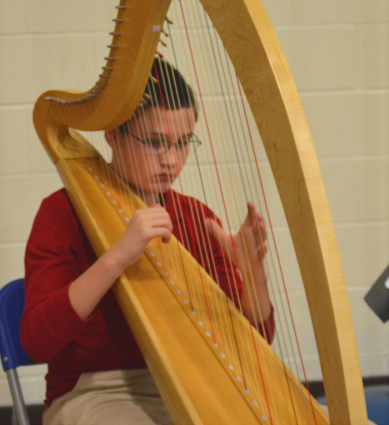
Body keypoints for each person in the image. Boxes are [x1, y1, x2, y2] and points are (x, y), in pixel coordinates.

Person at [21, 59, 274, 425]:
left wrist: (253, 275)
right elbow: (36, 341)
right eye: (155, 142)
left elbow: (256, 341)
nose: (171, 160)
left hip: (194, 384)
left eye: (183, 143)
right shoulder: (61, 213)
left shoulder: (194, 216)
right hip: (93, 394)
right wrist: (118, 256)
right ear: (112, 134)